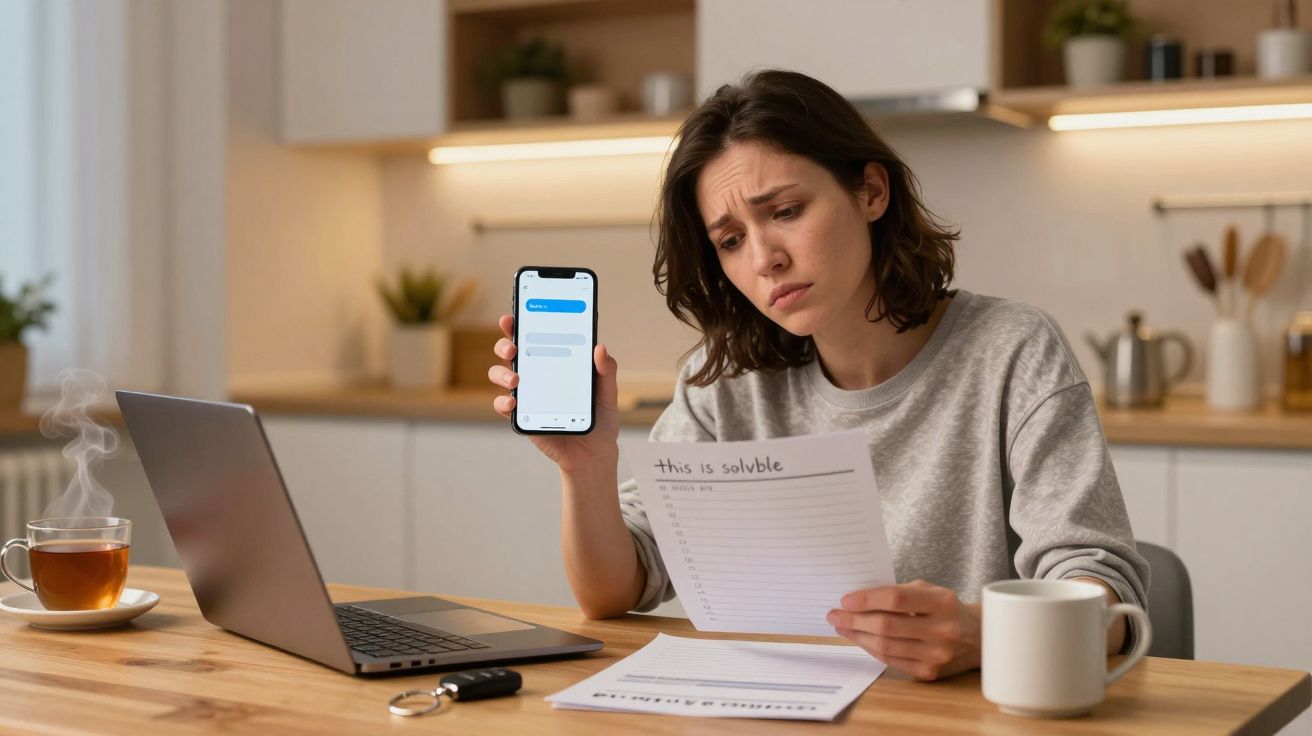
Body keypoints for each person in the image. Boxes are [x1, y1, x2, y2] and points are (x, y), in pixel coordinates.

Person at [487, 69, 1148, 682]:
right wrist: (587, 469)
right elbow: (613, 591)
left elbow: (1103, 592)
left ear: (870, 191)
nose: (766, 259)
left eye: (784, 212)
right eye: (731, 240)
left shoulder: (1010, 350)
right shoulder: (722, 383)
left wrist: (986, 633)